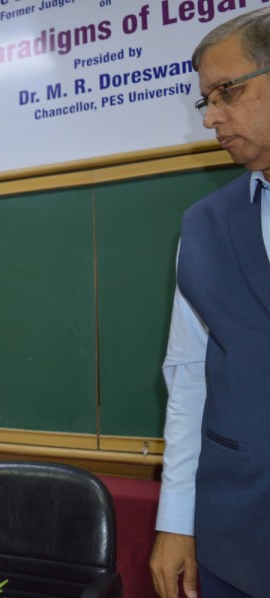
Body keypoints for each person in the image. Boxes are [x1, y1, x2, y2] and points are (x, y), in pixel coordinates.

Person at [150, 8, 270, 597]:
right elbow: (189, 373)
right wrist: (177, 519)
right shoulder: (202, 226)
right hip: (235, 537)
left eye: (227, 91)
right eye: (206, 100)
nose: (210, 117)